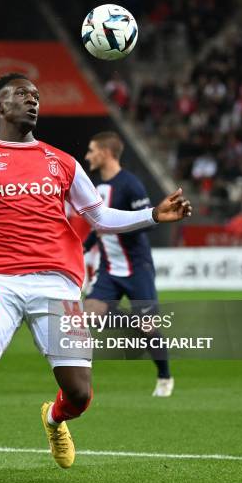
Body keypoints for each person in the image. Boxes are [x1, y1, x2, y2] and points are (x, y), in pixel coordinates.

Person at [0, 73, 192, 483]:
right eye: (21, 94)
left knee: (79, 394)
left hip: (58, 285)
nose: (31, 100)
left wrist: (153, 216)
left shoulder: (62, 161)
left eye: (36, 95)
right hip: (0, 280)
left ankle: (53, 418)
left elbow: (100, 216)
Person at [82, 132, 174, 397]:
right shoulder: (97, 188)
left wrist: (113, 228)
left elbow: (143, 225)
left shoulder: (131, 185)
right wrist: (84, 247)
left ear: (106, 153)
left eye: (91, 150)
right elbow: (100, 225)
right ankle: (134, 321)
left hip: (137, 268)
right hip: (110, 269)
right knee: (90, 314)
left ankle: (165, 376)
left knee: (150, 327)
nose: (88, 156)